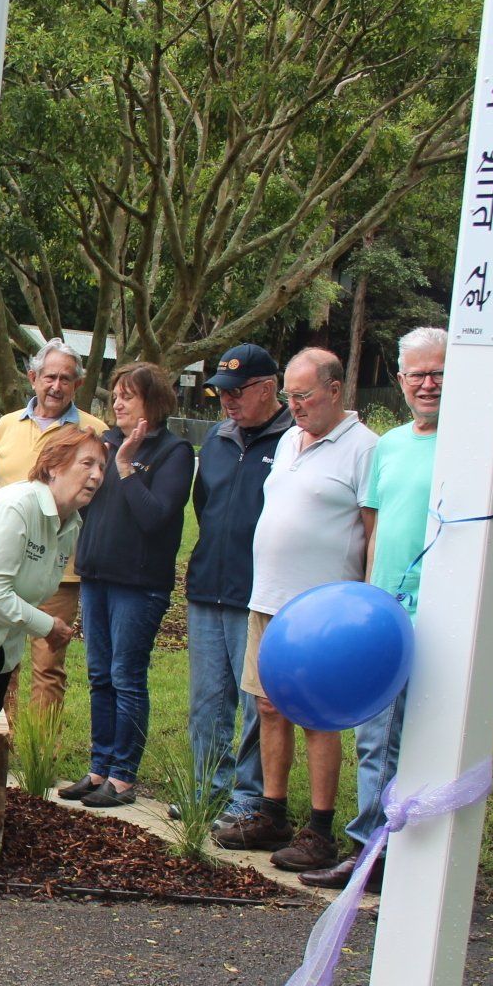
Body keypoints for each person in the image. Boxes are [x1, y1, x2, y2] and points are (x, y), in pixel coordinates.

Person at [214, 350, 377, 872]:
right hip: (269, 599)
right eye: (288, 396)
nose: (294, 405)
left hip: (324, 611)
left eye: (303, 396)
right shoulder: (288, 440)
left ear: (336, 389)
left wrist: (367, 600)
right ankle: (272, 813)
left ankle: (321, 830)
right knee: (267, 707)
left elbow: (373, 531)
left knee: (317, 715)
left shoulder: (364, 449)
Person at [0, 427, 105, 900]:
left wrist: (31, 625)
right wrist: (46, 627)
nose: (95, 475)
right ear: (52, 465)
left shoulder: (71, 523)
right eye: (85, 463)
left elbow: (26, 591)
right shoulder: (18, 506)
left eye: (101, 468)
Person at [301, 327, 446, 891]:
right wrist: (367, 597)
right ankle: (370, 852)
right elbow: (374, 529)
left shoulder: (471, 445)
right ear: (401, 381)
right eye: (418, 374)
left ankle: (420, 851)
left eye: (438, 373)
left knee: (429, 735)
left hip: (444, 615)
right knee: (375, 736)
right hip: (386, 613)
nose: (428, 383)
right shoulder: (390, 447)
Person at [59, 362, 195, 806]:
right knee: (99, 675)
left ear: (152, 402)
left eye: (127, 395)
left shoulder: (173, 451)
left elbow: (157, 517)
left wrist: (125, 466)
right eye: (115, 395)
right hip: (96, 576)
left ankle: (123, 777)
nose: (116, 402)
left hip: (138, 585)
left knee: (126, 676)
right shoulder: (106, 441)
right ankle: (98, 769)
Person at [185, 344, 291, 819]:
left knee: (256, 702)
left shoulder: (292, 441)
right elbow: (202, 503)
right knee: (207, 699)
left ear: (268, 388)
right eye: (221, 392)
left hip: (260, 592)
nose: (227, 401)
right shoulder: (218, 439)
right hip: (209, 584)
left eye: (237, 392)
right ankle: (207, 788)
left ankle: (249, 797)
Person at [0, 339, 108, 717]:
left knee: (47, 665)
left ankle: (36, 759)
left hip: (59, 569)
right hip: (5, 563)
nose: (57, 386)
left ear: (77, 385)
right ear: (33, 378)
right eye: (50, 377)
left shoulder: (93, 431)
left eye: (66, 379)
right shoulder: (6, 425)